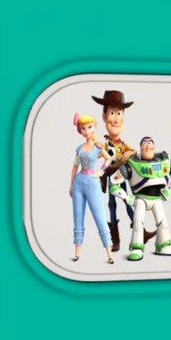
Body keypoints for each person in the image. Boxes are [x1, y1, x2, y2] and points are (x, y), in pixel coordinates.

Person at [92, 90, 154, 251]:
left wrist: (130, 153)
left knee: (127, 201)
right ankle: (115, 239)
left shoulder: (122, 144)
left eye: (119, 113)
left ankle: (141, 232)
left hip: (121, 175)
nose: (116, 118)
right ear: (104, 116)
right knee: (112, 205)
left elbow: (133, 151)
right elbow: (97, 154)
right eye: (112, 113)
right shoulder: (104, 144)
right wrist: (97, 148)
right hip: (111, 175)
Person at [109, 136, 171, 261]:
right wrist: (126, 197)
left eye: (150, 143)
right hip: (140, 199)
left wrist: (169, 190)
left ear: (154, 146)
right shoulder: (131, 165)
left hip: (156, 198)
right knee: (138, 223)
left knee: (163, 223)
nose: (148, 146)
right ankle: (136, 248)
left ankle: (163, 245)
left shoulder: (166, 162)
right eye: (144, 143)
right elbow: (113, 183)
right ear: (140, 148)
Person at [69, 113, 114, 264]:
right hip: (79, 183)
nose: (86, 131)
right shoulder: (79, 148)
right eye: (83, 129)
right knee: (77, 217)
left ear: (94, 127)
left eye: (89, 127)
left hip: (92, 182)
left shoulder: (98, 146)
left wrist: (101, 172)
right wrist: (71, 185)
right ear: (80, 131)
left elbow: (109, 159)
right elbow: (75, 166)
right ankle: (77, 253)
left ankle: (109, 253)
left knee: (99, 216)